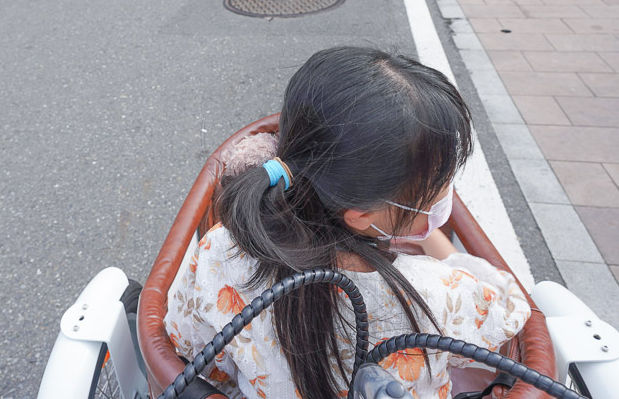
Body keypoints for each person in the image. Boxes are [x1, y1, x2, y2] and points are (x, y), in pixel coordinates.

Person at [165, 47, 530, 399]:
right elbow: (511, 307)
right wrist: (440, 247)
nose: (444, 192)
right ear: (359, 217)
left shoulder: (217, 249)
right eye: (433, 186)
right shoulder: (435, 293)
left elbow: (187, 342)